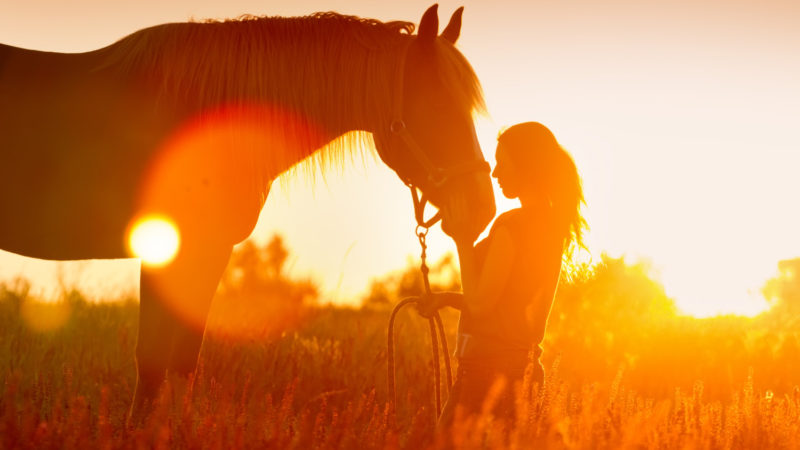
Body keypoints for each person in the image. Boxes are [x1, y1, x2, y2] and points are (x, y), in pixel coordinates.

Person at [418, 121, 586, 428]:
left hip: (486, 378)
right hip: (523, 372)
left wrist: (463, 240)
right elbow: (504, 303)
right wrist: (447, 299)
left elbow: (481, 304)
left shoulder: (512, 226)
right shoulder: (551, 227)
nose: (494, 174)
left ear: (525, 165)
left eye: (501, 164)